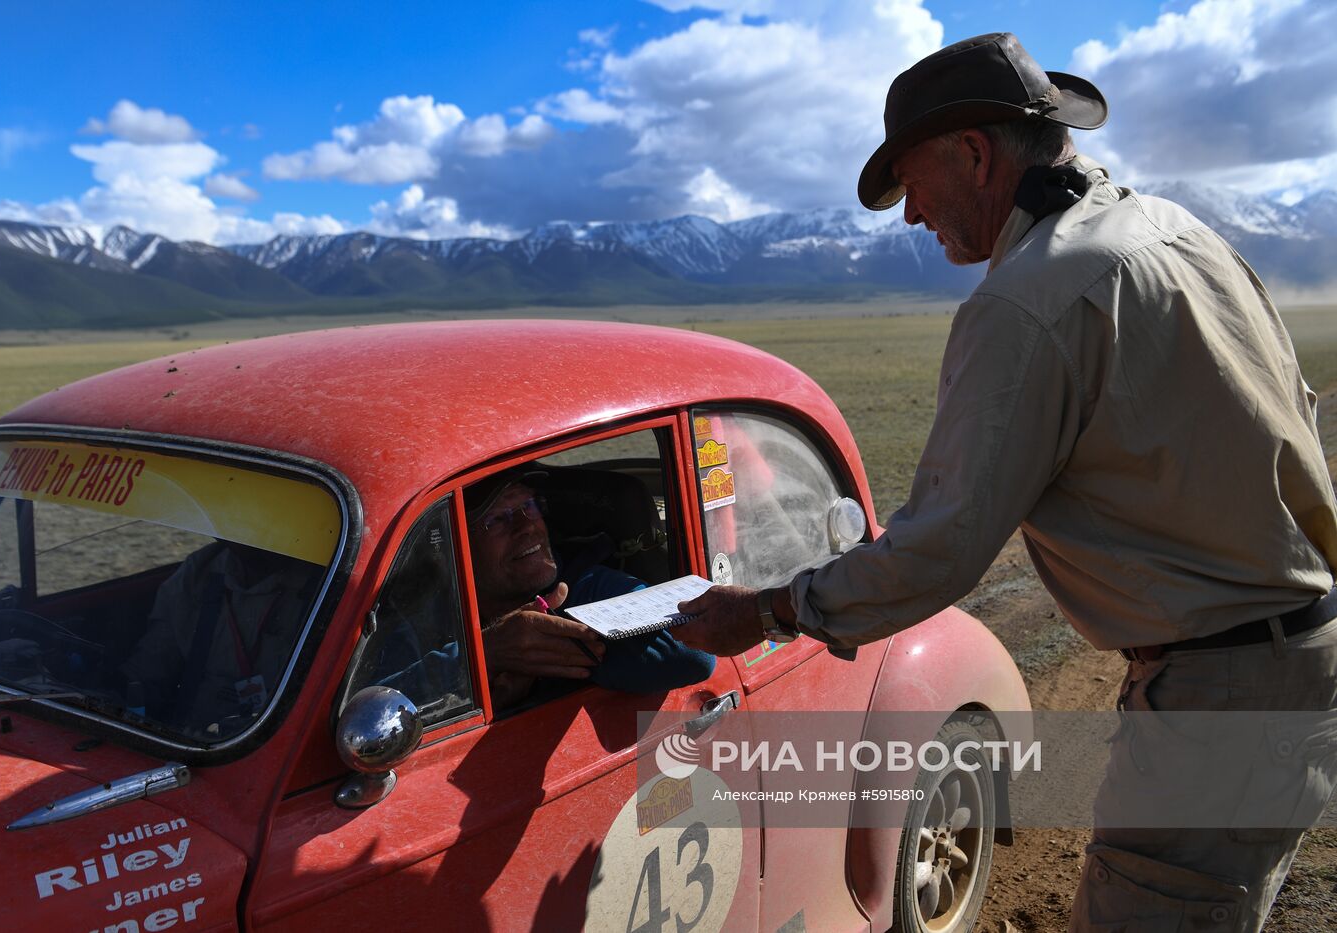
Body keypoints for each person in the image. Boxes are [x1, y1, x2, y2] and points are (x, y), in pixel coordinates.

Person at [675, 32, 1337, 932]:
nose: (911, 216)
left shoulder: (1029, 298)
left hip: (1218, 691)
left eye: (912, 184)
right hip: (1299, 663)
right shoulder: (1179, 232)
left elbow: (940, 548)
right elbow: (1297, 410)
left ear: (975, 153)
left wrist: (763, 610)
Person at [467, 467, 716, 708]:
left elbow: (695, 651)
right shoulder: (439, 608)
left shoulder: (583, 588)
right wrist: (487, 652)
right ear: (459, 547)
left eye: (528, 507)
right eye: (497, 519)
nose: (526, 526)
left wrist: (551, 645)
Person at [121, 539, 322, 735]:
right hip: (189, 738)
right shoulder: (201, 571)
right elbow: (149, 669)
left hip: (271, 743)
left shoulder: (325, 585)